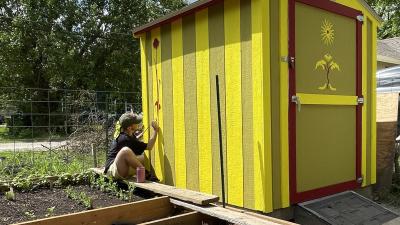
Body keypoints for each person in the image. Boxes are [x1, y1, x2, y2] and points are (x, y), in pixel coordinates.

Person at [104, 112, 159, 180]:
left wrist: (140, 133)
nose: (138, 124)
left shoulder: (128, 135)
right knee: (125, 151)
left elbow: (135, 142)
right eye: (136, 123)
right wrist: (155, 130)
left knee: (144, 158)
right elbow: (149, 146)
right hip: (112, 170)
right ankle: (147, 174)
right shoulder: (126, 139)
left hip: (120, 168)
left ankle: (148, 175)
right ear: (129, 128)